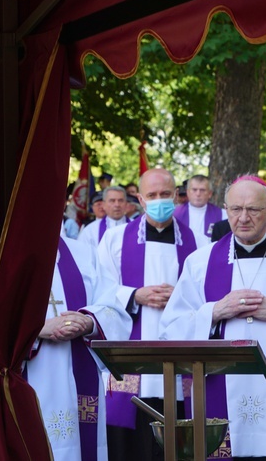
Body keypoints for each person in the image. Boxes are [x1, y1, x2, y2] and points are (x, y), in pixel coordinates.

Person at [160, 175, 266, 459]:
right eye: (235, 209)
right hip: (219, 386)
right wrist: (215, 311)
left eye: (253, 210)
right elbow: (172, 327)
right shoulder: (200, 261)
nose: (243, 218)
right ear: (225, 210)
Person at [96, 168, 197, 461]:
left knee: (175, 444)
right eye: (151, 195)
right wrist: (134, 295)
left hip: (178, 361)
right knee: (131, 445)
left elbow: (204, 297)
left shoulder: (196, 243)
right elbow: (100, 293)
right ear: (139, 199)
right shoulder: (115, 240)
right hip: (130, 357)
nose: (159, 200)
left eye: (165, 194)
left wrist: (178, 297)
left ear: (176, 196)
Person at [25, 236, 131, 461]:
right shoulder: (7, 251)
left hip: (80, 374)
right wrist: (37, 328)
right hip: (31, 376)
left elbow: (114, 309)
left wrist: (89, 321)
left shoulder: (83, 253)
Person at [173, 175, 227, 247]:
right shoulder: (174, 214)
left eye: (202, 190)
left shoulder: (223, 214)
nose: (198, 194)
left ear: (210, 194)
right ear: (188, 192)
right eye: (194, 190)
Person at [78, 186, 129, 250]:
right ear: (104, 205)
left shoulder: (139, 227)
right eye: (112, 201)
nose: (117, 205)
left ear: (126, 204)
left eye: (120, 200)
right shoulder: (90, 230)